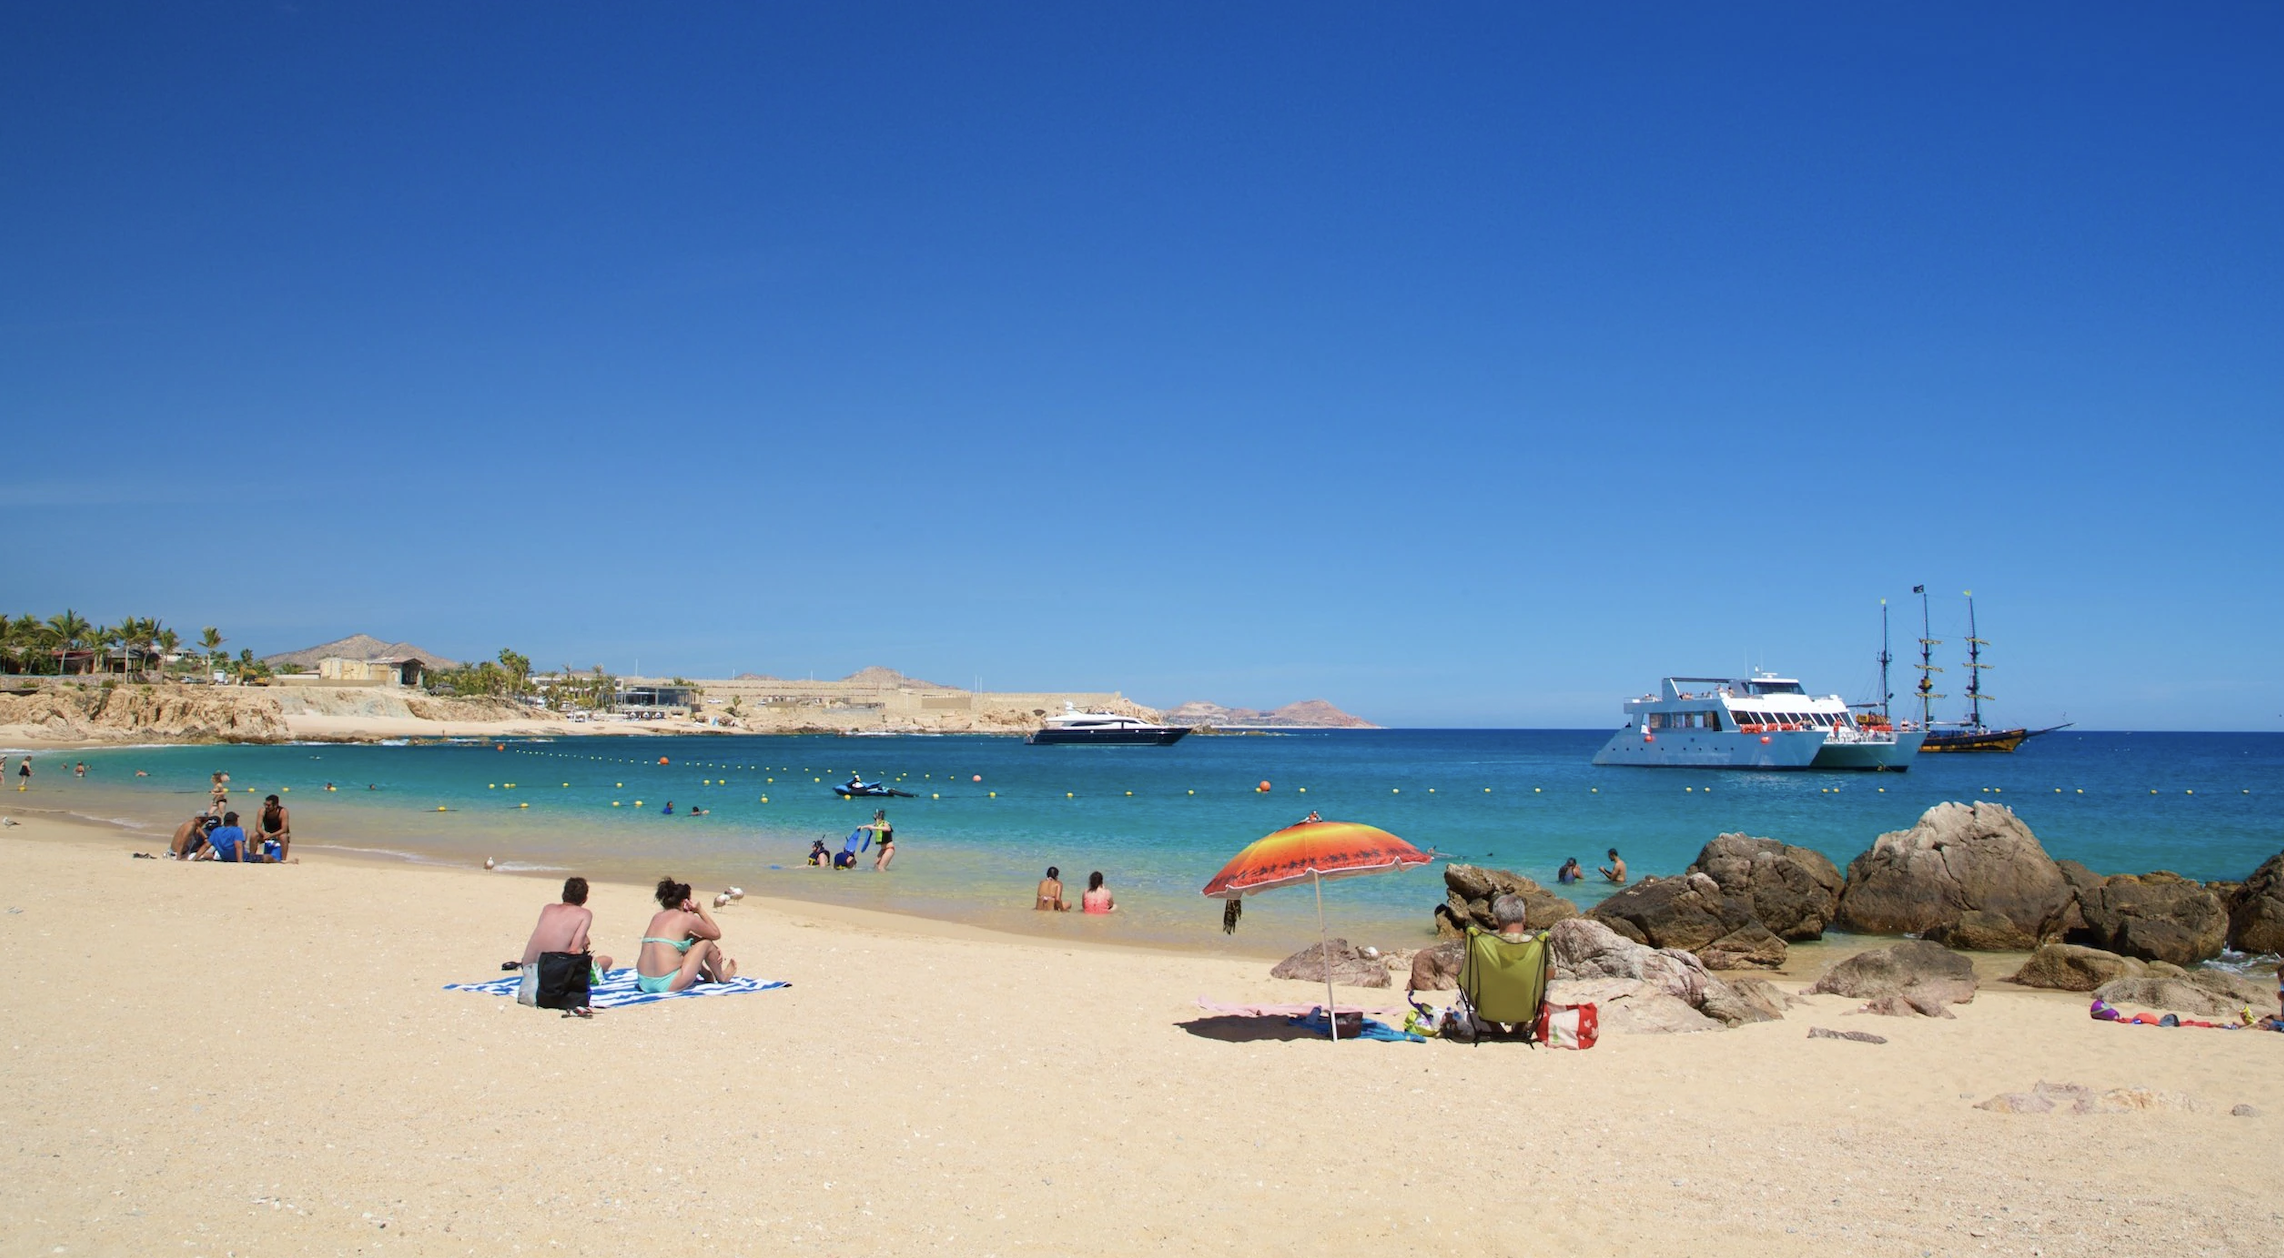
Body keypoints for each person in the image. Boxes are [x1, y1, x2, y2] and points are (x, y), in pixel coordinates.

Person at [633, 877, 736, 994]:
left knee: (682, 945)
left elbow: (683, 940)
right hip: (667, 984)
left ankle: (707, 975)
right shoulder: (687, 918)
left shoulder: (657, 917)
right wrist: (699, 910)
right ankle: (722, 977)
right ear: (685, 902)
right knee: (706, 943)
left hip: (644, 982)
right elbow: (715, 934)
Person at [521, 876, 614, 974]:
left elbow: (554, 932)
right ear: (585, 899)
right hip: (553, 973)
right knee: (606, 960)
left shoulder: (548, 908)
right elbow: (574, 950)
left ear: (563, 894)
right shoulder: (584, 914)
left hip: (528, 968)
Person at [256, 794, 292, 862]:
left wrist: (271, 835)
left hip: (278, 834)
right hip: (267, 834)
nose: (266, 807)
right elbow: (258, 827)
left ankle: (283, 860)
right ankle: (252, 856)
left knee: (284, 837)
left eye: (268, 805)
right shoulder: (262, 811)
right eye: (265, 804)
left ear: (275, 805)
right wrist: (264, 834)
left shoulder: (283, 812)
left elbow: (284, 829)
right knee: (254, 835)